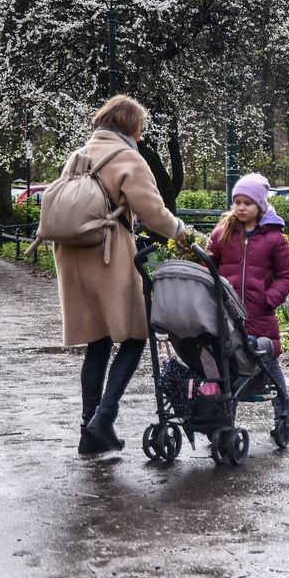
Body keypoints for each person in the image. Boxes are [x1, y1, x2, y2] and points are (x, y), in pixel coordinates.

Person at [55, 95, 188, 454]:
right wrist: (185, 235)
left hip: (72, 257)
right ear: (131, 127)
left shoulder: (80, 154)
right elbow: (155, 214)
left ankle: (89, 430)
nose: (141, 135)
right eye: (139, 128)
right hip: (108, 256)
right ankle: (104, 418)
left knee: (97, 341)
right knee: (135, 334)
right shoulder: (128, 158)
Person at [206, 173, 289, 430]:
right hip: (226, 314)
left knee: (269, 365)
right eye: (237, 202)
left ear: (260, 205)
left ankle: (284, 411)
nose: (242, 207)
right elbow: (208, 268)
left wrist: (270, 299)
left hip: (259, 313)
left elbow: (287, 275)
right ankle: (226, 421)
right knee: (227, 365)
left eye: (248, 203)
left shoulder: (274, 238)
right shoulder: (222, 234)